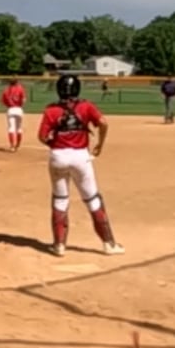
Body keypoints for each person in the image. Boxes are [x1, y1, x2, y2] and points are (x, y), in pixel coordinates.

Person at [37, 74, 120, 258]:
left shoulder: (51, 110)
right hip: (80, 156)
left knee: (60, 199)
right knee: (92, 199)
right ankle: (109, 244)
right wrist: (100, 144)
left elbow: (42, 136)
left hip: (58, 156)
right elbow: (103, 123)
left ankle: (59, 245)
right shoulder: (86, 106)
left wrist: (54, 145)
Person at [1, 77, 27, 152]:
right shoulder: (20, 88)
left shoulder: (6, 90)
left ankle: (12, 146)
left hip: (10, 109)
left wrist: (8, 105)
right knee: (19, 128)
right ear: (16, 82)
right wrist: (20, 105)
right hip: (19, 109)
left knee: (11, 128)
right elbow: (24, 100)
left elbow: (3, 101)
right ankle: (17, 145)